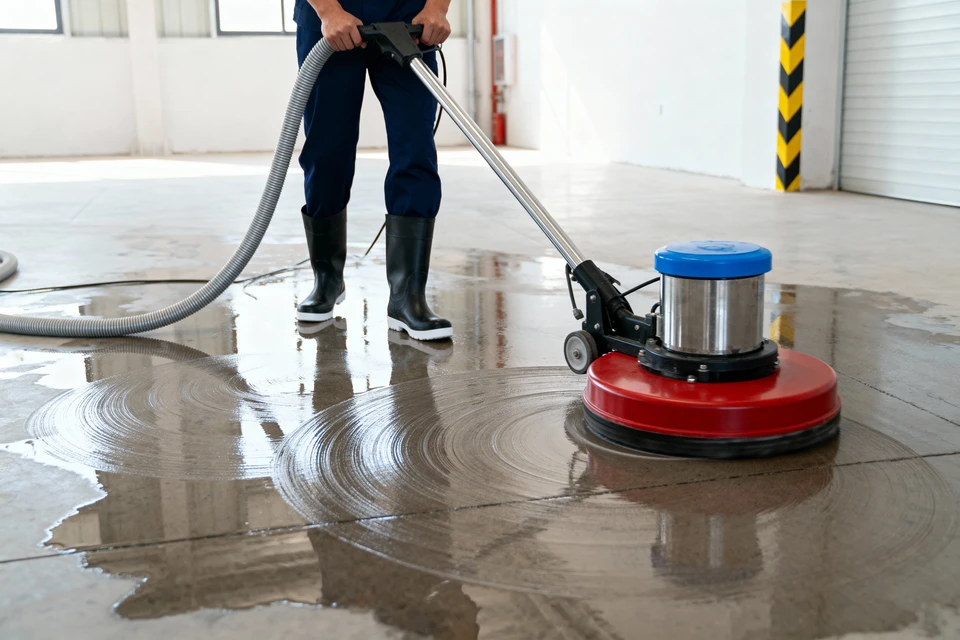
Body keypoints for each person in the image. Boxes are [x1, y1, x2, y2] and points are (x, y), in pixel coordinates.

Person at [293, 0, 454, 341]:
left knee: (415, 148)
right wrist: (327, 12)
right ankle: (327, 280)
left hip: (408, 20)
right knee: (326, 152)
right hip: (332, 21)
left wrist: (437, 7)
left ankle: (407, 297)